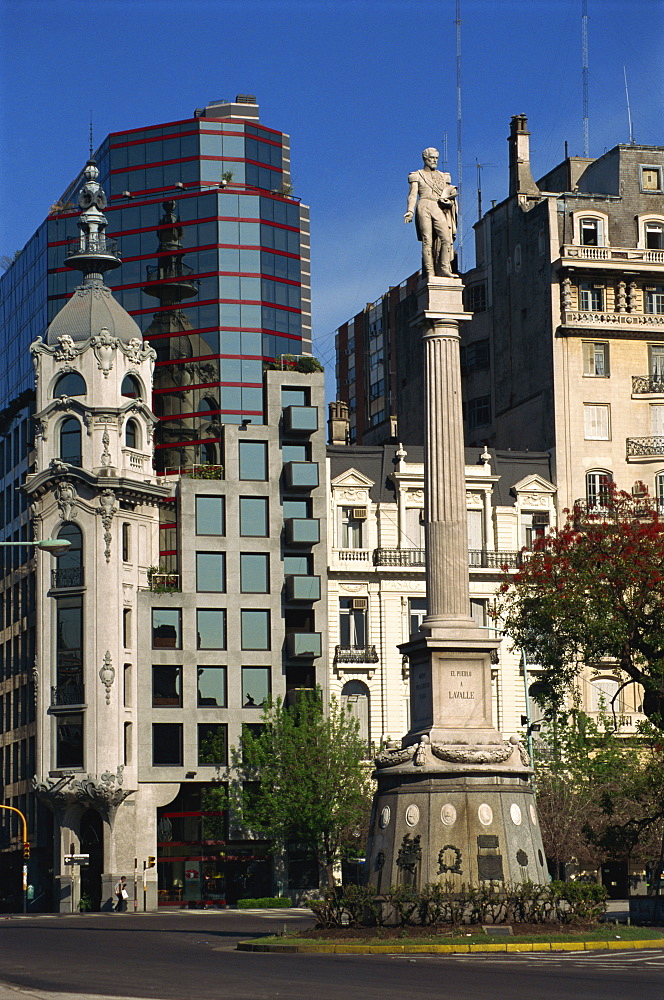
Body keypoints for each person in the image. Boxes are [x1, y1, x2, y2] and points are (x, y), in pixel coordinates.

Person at [404, 147, 458, 279]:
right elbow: (412, 195)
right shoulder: (417, 175)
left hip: (438, 206)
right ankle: (429, 272)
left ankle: (444, 268)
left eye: (436, 158)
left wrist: (449, 202)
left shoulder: (444, 176)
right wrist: (410, 211)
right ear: (425, 159)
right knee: (427, 240)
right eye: (432, 158)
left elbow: (448, 193)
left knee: (446, 238)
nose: (434, 161)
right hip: (424, 204)